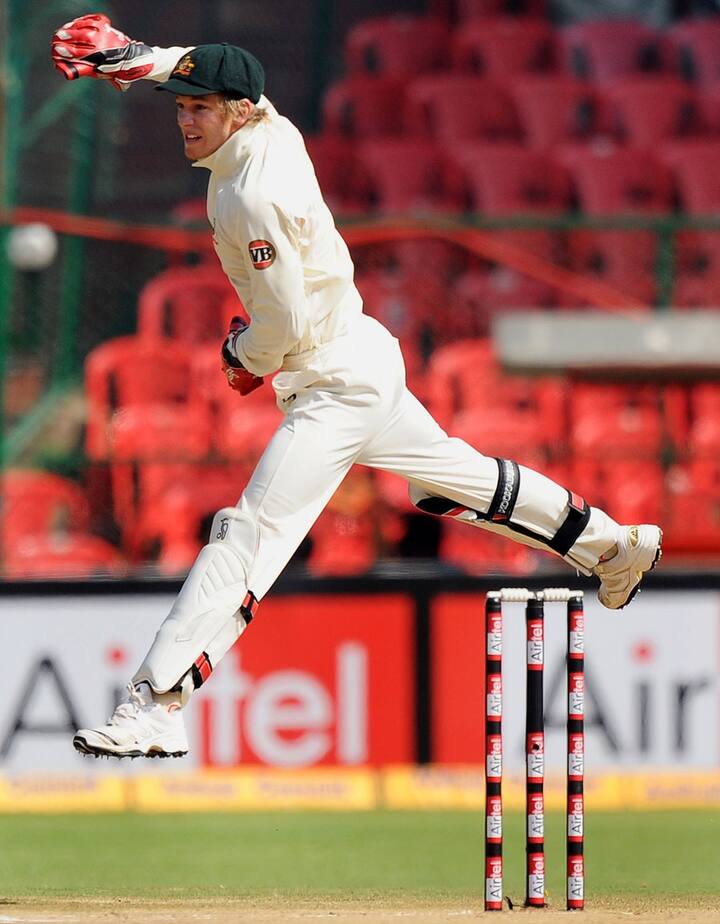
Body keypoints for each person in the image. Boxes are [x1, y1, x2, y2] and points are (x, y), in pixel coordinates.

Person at [51, 14, 662, 760]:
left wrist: (241, 353)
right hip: (361, 359)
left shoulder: (251, 195)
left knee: (247, 537)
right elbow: (198, 67)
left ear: (238, 113)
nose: (186, 121)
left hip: (334, 382)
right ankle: (614, 547)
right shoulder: (273, 126)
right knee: (458, 483)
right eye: (182, 106)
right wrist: (130, 56)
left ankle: (154, 704)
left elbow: (283, 321)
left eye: (200, 109)